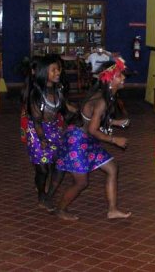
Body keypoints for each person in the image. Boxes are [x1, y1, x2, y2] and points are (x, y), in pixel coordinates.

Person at [55, 58, 131, 221]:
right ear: (110, 79)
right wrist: (114, 140)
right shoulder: (102, 100)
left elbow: (93, 120)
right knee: (81, 183)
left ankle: (112, 210)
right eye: (120, 75)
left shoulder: (106, 96)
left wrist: (115, 122)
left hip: (85, 138)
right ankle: (60, 209)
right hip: (77, 140)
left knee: (112, 168)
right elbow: (93, 129)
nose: (123, 78)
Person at [23, 55, 76, 211]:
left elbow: (65, 108)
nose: (58, 72)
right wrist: (42, 139)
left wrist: (82, 111)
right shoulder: (36, 95)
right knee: (42, 168)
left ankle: (48, 193)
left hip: (53, 129)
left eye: (58, 69)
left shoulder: (58, 90)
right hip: (37, 132)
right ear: (44, 72)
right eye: (53, 70)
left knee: (55, 164)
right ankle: (41, 195)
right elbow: (37, 121)